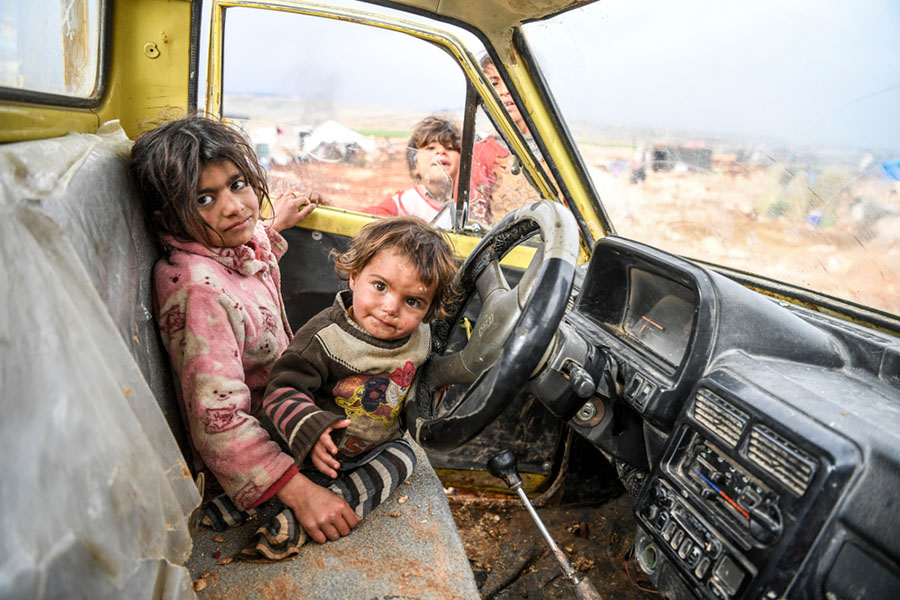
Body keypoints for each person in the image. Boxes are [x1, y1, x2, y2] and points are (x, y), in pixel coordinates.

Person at [129, 114, 320, 559]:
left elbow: (250, 248)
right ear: (170, 218)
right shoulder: (198, 292)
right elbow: (219, 423)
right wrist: (301, 492)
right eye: (204, 199)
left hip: (281, 407)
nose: (233, 208)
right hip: (259, 452)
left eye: (237, 184)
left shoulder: (230, 247)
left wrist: (273, 226)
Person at [260, 216, 457, 559]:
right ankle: (261, 500)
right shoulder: (326, 337)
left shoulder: (421, 338)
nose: (390, 308)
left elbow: (419, 382)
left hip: (373, 449)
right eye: (380, 286)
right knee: (272, 452)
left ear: (428, 311)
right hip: (313, 448)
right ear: (354, 276)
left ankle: (323, 507)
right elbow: (280, 390)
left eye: (413, 301)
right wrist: (308, 426)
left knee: (405, 455)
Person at [365, 116, 462, 228]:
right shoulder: (404, 204)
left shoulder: (467, 207)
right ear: (415, 165)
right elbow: (365, 220)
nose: (441, 151)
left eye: (450, 148)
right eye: (430, 148)